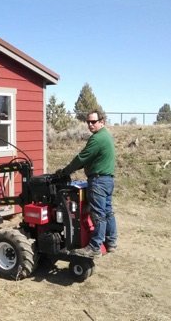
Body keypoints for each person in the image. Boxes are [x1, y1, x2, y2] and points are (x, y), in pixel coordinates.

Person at [56, 110, 117, 258]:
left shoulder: (97, 139)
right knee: (108, 212)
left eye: (93, 122)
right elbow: (90, 159)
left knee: (98, 214)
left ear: (102, 122)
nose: (90, 125)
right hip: (108, 180)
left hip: (98, 181)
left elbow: (81, 158)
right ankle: (111, 242)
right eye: (88, 122)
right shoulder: (106, 136)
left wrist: (65, 171)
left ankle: (95, 246)